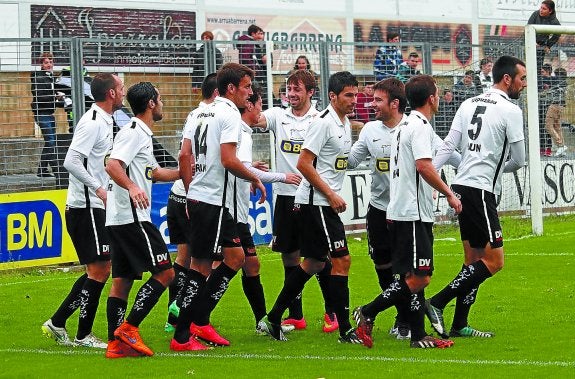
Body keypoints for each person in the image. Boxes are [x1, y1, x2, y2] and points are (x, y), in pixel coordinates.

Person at [353, 75, 462, 350]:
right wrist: (449, 193)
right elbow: (424, 166)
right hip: (412, 212)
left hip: (402, 210)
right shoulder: (419, 127)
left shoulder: (406, 126)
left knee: (412, 276)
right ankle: (368, 311)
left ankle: (417, 335)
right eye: (437, 93)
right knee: (420, 276)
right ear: (432, 98)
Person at [425, 56, 527, 340]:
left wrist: (428, 172)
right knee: (494, 261)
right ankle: (437, 302)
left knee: (473, 260)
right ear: (507, 79)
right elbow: (519, 160)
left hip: (460, 186)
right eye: (522, 78)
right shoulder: (511, 110)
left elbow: (448, 145)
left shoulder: (468, 103)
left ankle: (459, 324)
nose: (524, 84)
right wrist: (496, 165)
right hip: (481, 191)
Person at [258, 71, 363, 344]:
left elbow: (340, 162)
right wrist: (331, 194)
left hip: (322, 201)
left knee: (314, 262)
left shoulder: (344, 122)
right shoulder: (322, 123)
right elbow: (304, 164)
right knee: (341, 260)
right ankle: (344, 329)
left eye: (356, 94)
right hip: (316, 202)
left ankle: (274, 317)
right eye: (349, 95)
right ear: (332, 96)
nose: (354, 100)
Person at [171, 63, 266, 351]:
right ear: (231, 88)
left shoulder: (198, 112)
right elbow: (228, 159)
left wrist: (190, 191)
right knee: (200, 267)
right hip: (212, 200)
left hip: (205, 199)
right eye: (247, 87)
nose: (249, 93)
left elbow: (184, 155)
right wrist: (255, 177)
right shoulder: (229, 116)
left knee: (235, 257)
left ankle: (199, 320)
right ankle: (182, 335)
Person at [41, 73, 124, 349]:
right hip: (86, 207)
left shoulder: (104, 120)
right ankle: (82, 335)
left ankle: (58, 322)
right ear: (111, 93)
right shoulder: (92, 123)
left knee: (98, 269)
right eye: (120, 88)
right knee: (100, 270)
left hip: (92, 207)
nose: (123, 92)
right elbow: (71, 161)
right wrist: (99, 189)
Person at [104, 82, 180, 358]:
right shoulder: (134, 132)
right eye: (159, 99)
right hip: (132, 216)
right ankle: (129, 328)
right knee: (166, 273)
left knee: (122, 280)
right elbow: (113, 164)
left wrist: (185, 171)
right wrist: (132, 187)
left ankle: (116, 345)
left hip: (119, 217)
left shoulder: (141, 134)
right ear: (150, 104)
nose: (162, 104)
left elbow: (154, 173)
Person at [227, 83, 301, 332]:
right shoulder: (242, 131)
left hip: (233, 209)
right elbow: (238, 166)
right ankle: (192, 317)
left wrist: (251, 172)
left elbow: (238, 165)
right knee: (217, 266)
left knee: (249, 264)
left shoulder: (238, 129)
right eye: (259, 104)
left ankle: (262, 321)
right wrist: (280, 177)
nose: (262, 111)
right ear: (250, 105)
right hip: (228, 211)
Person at [347, 78, 411, 340]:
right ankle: (400, 313)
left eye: (377, 100)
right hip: (378, 209)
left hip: (406, 211)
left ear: (394, 103)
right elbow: (351, 159)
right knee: (383, 266)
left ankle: (405, 320)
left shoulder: (413, 127)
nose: (371, 104)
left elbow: (435, 158)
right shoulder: (370, 130)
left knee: (407, 268)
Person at [163, 73, 219, 333]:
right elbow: (188, 156)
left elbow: (183, 154)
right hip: (194, 195)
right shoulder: (217, 116)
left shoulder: (193, 114)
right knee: (208, 262)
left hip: (178, 193)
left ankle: (172, 316)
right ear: (219, 93)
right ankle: (188, 315)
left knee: (184, 259)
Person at [30, 52, 65, 177]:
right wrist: (55, 97)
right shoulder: (37, 76)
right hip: (42, 114)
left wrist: (60, 99)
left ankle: (44, 170)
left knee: (51, 141)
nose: (49, 64)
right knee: (50, 141)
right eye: (46, 62)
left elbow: (51, 96)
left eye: (51, 62)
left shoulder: (51, 77)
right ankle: (48, 170)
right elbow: (39, 96)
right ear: (41, 64)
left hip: (49, 113)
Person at [238, 24, 269, 105]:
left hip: (251, 71)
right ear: (253, 34)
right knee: (257, 91)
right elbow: (246, 58)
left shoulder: (250, 42)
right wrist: (252, 69)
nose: (260, 36)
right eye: (258, 33)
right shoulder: (248, 42)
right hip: (250, 73)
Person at [527, 0, 561, 71]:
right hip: (528, 44)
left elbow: (558, 33)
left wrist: (548, 45)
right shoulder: (535, 14)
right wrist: (532, 41)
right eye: (541, 8)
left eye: (544, 9)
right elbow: (527, 29)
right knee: (527, 66)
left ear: (550, 11)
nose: (541, 10)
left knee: (537, 69)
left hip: (540, 48)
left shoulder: (554, 21)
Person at [545, 67, 569, 157]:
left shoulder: (557, 80)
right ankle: (561, 147)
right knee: (557, 126)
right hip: (561, 106)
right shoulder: (564, 82)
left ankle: (560, 143)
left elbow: (547, 79)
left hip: (555, 105)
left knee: (548, 125)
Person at [539, 64, 554, 156]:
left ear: (548, 71)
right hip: (541, 105)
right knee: (540, 127)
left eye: (543, 71)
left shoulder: (554, 80)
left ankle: (549, 148)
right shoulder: (540, 80)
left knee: (548, 127)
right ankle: (541, 148)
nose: (541, 73)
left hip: (549, 105)